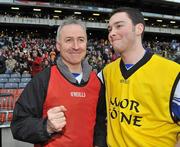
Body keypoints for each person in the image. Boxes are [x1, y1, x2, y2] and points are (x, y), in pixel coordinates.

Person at [11, 17, 106, 147]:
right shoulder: (43, 79)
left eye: (81, 40)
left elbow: (100, 125)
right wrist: (47, 127)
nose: (76, 46)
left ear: (86, 44)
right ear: (58, 46)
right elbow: (18, 125)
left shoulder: (97, 82)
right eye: (69, 40)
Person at [95, 7, 180, 147]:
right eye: (110, 29)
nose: (112, 33)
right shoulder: (106, 73)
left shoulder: (173, 73)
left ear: (139, 28)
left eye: (119, 26)